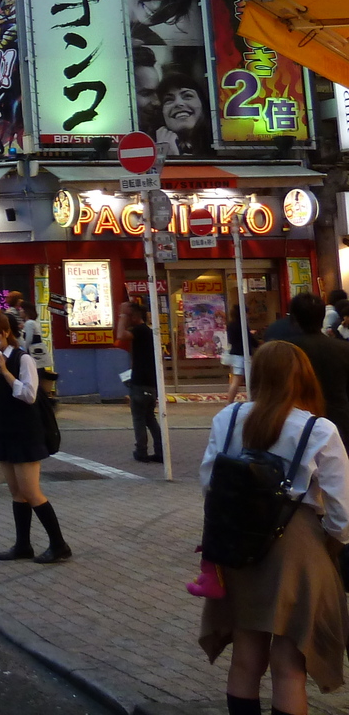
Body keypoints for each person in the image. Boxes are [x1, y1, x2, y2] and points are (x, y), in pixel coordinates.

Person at [198, 341, 349, 715]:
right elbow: (342, 512)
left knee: (246, 659)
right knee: (289, 667)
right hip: (296, 548)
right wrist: (332, 540)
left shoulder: (228, 418)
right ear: (302, 378)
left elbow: (209, 482)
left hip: (238, 546)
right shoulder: (318, 429)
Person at [0, 310, 69, 563]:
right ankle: (22, 545)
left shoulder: (22, 358)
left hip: (25, 430)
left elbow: (29, 395)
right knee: (16, 491)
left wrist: (5, 371)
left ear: (6, 332)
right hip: (3, 429)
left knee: (31, 490)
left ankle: (59, 545)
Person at [278, 293, 349, 442]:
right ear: (322, 317)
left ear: (294, 319)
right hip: (338, 421)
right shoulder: (343, 349)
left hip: (294, 423)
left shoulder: (284, 351)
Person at [115, 300, 164, 463]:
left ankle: (141, 451)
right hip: (150, 383)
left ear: (134, 316)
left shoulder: (140, 330)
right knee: (150, 417)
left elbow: (121, 335)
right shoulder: (148, 332)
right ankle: (160, 450)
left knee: (139, 419)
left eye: (128, 316)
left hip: (140, 383)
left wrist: (122, 316)